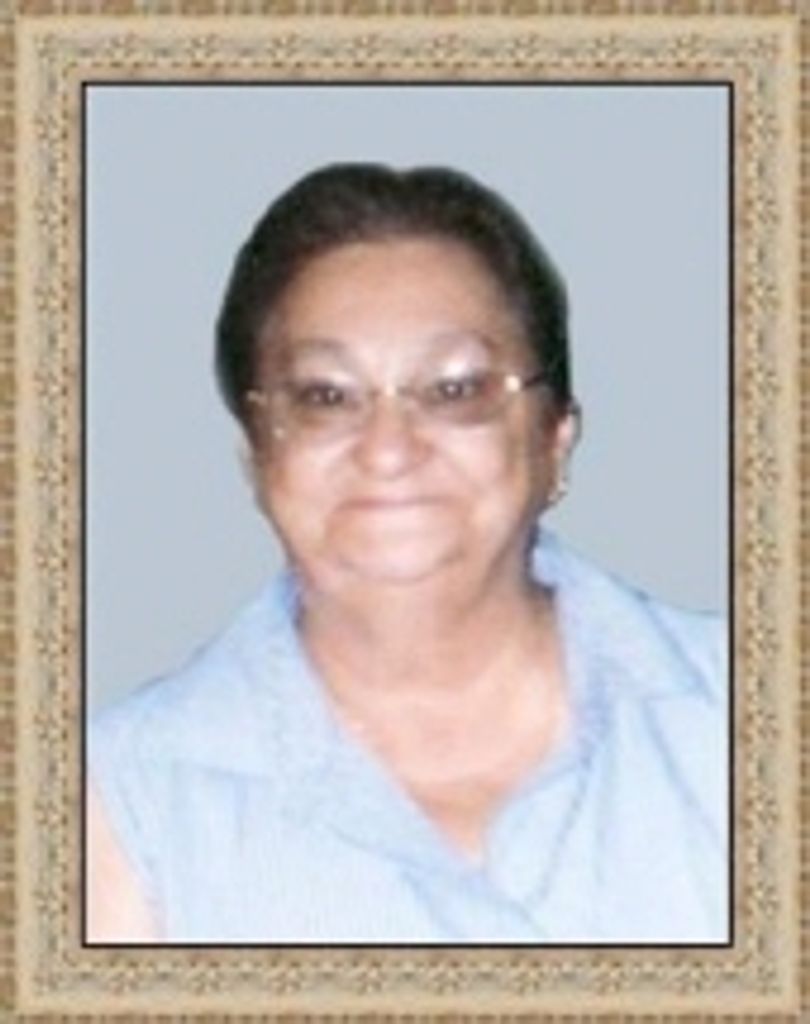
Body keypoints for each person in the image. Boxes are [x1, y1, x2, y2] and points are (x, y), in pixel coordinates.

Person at [87, 163, 728, 944]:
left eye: (455, 390)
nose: (388, 450)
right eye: (326, 398)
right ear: (258, 460)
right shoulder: (122, 802)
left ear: (555, 438)